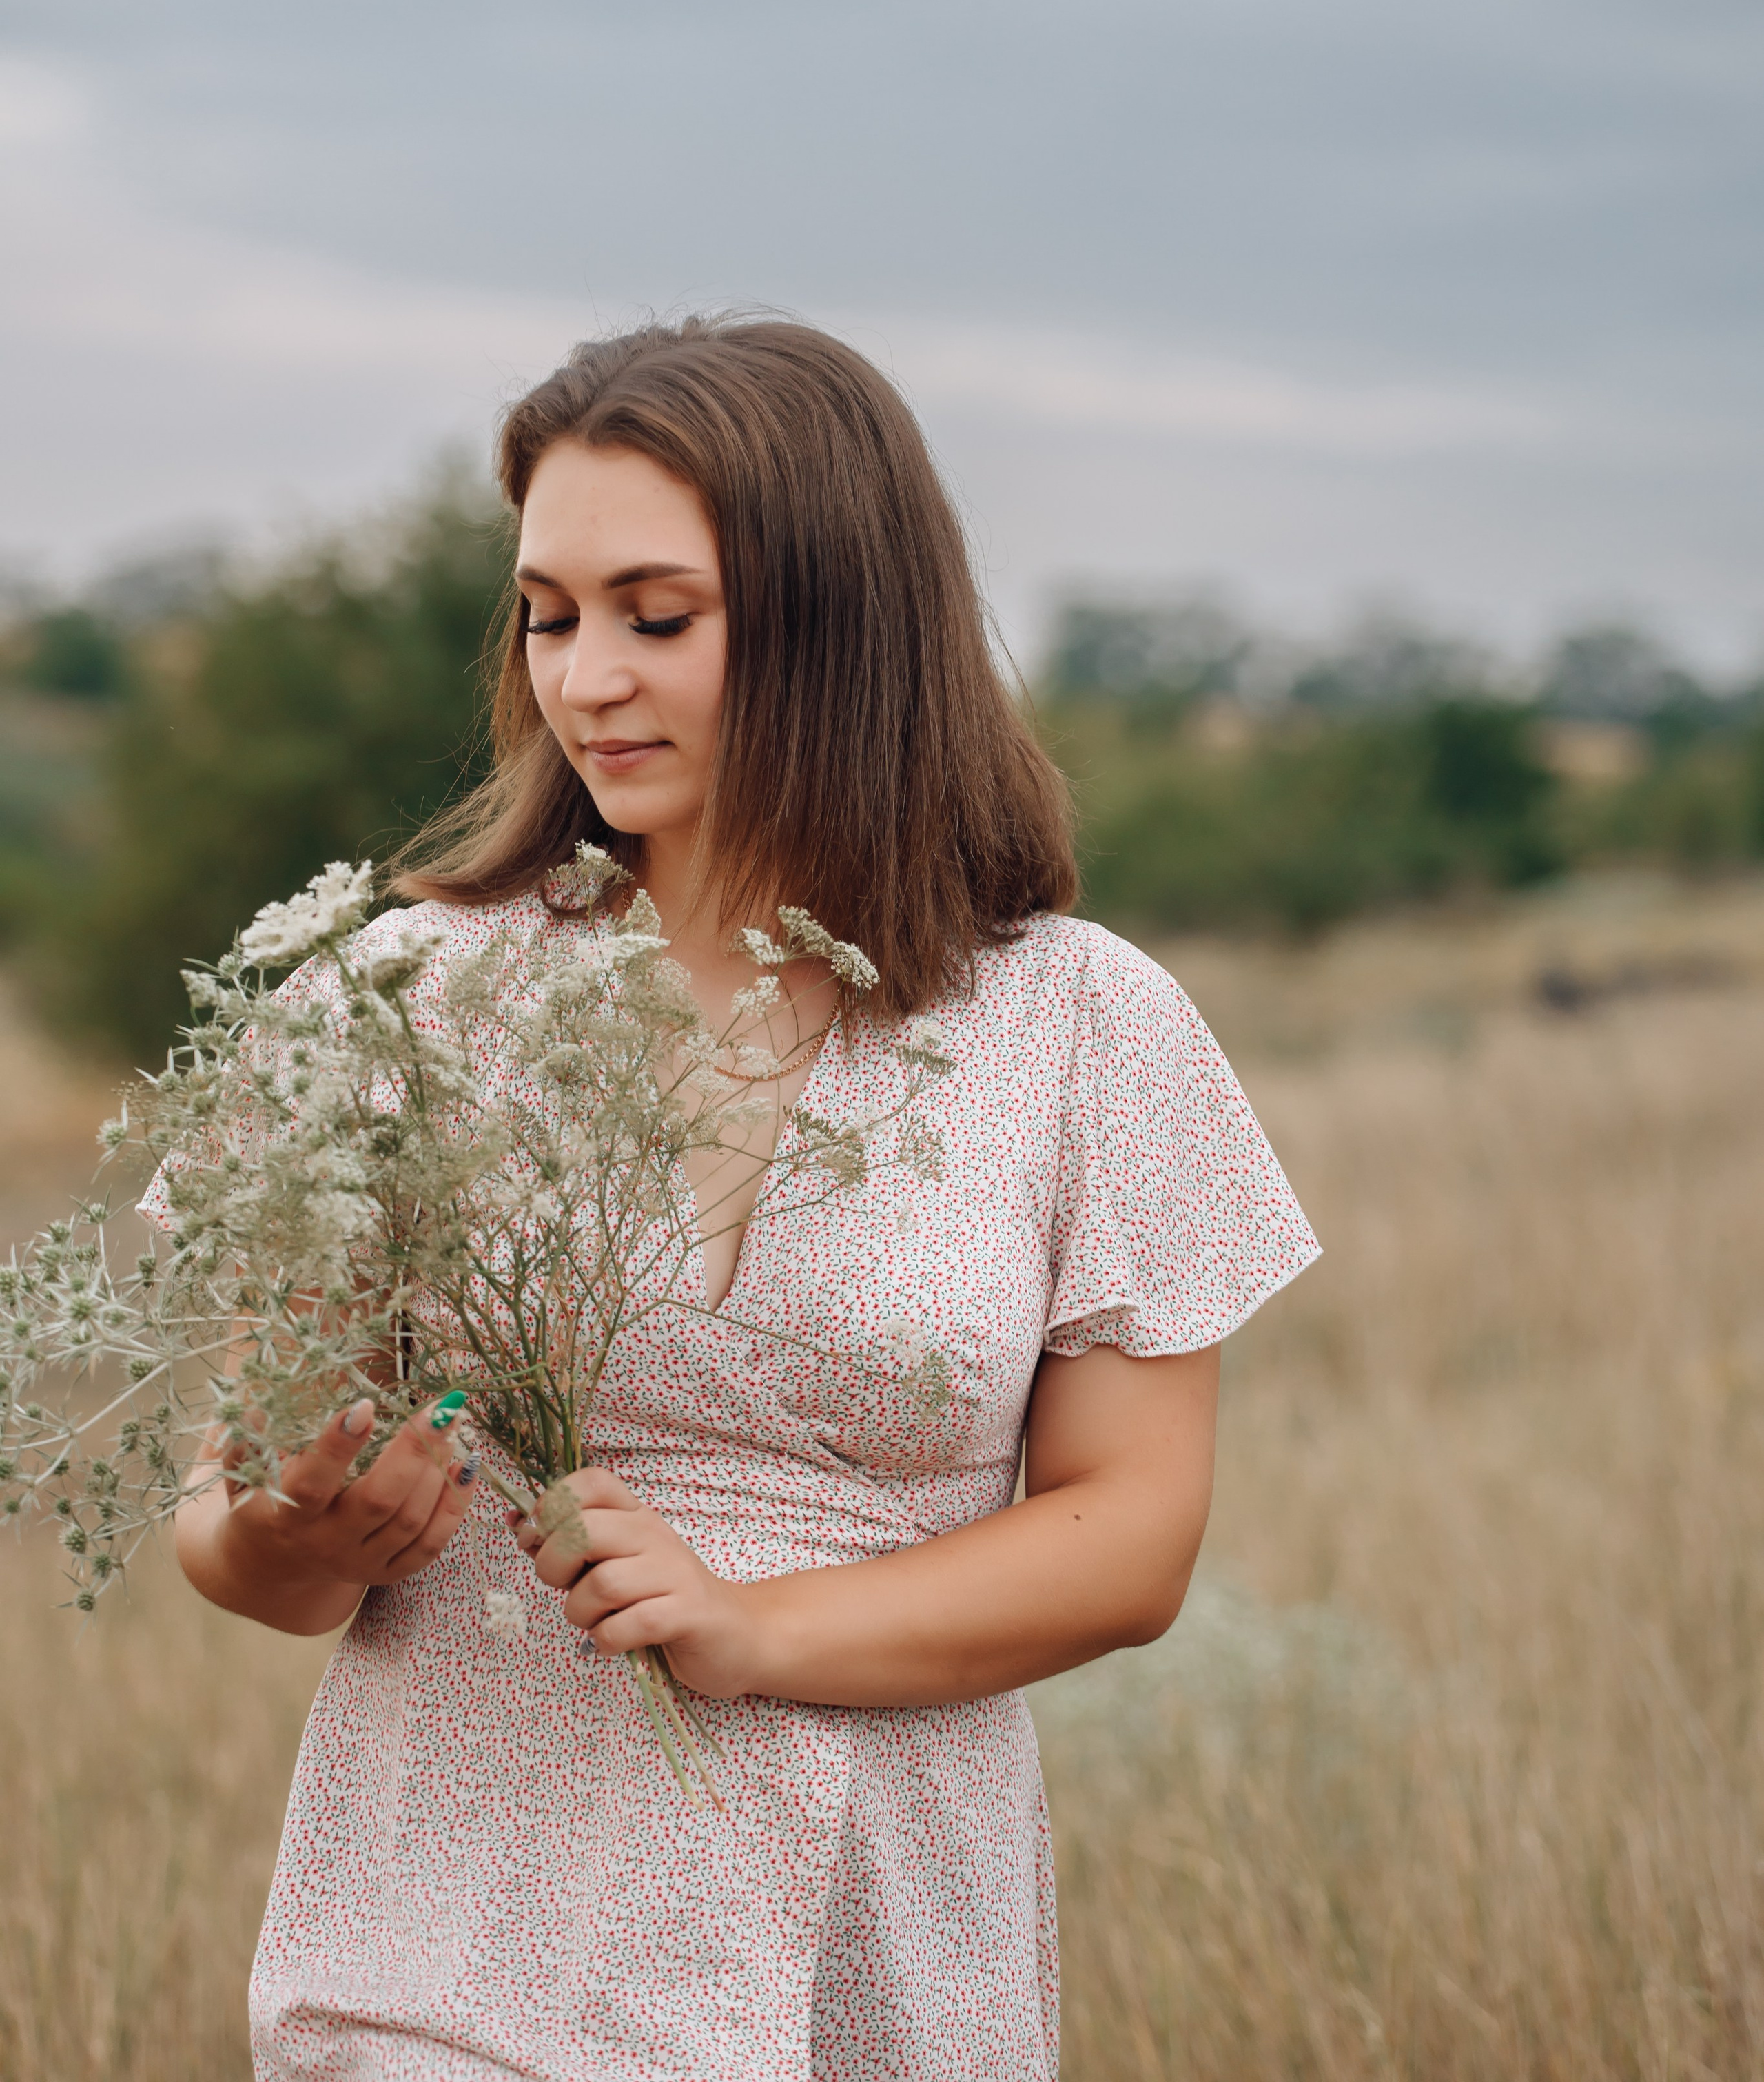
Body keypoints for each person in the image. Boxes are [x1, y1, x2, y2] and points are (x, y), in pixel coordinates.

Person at [170, 316, 1319, 2081]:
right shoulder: (394, 1005)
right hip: (450, 1953)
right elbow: (236, 1532)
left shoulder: (1084, 1025)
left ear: (840, 619)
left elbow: (1133, 1535)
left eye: (657, 615)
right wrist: (299, 1531)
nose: (584, 679)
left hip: (877, 1954)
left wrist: (754, 1627)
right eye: (549, 616)